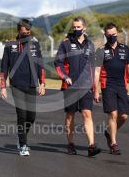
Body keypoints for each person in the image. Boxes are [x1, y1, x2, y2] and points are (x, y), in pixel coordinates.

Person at [54, 16, 101, 157]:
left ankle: (91, 146)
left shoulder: (90, 45)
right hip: (71, 87)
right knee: (70, 116)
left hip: (86, 86)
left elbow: (93, 67)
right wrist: (64, 77)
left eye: (78, 27)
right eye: (74, 27)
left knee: (87, 114)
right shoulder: (66, 44)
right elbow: (58, 63)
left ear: (84, 28)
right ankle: (70, 144)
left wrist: (95, 88)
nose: (76, 29)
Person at [0, 18, 46, 156]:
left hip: (32, 84)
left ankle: (21, 136)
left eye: (29, 30)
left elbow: (40, 65)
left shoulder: (35, 44)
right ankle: (23, 144)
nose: (27, 32)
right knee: (22, 115)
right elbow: (4, 67)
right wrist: (3, 86)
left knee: (31, 117)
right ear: (19, 30)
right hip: (16, 85)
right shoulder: (9, 45)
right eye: (24, 30)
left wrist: (42, 83)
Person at [94, 22, 129, 155]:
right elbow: (96, 72)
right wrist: (96, 90)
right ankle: (113, 143)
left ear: (117, 33)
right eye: (109, 35)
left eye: (114, 34)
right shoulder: (101, 50)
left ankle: (109, 132)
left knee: (123, 116)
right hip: (107, 86)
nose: (112, 37)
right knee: (113, 114)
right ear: (105, 35)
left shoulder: (125, 49)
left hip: (121, 85)